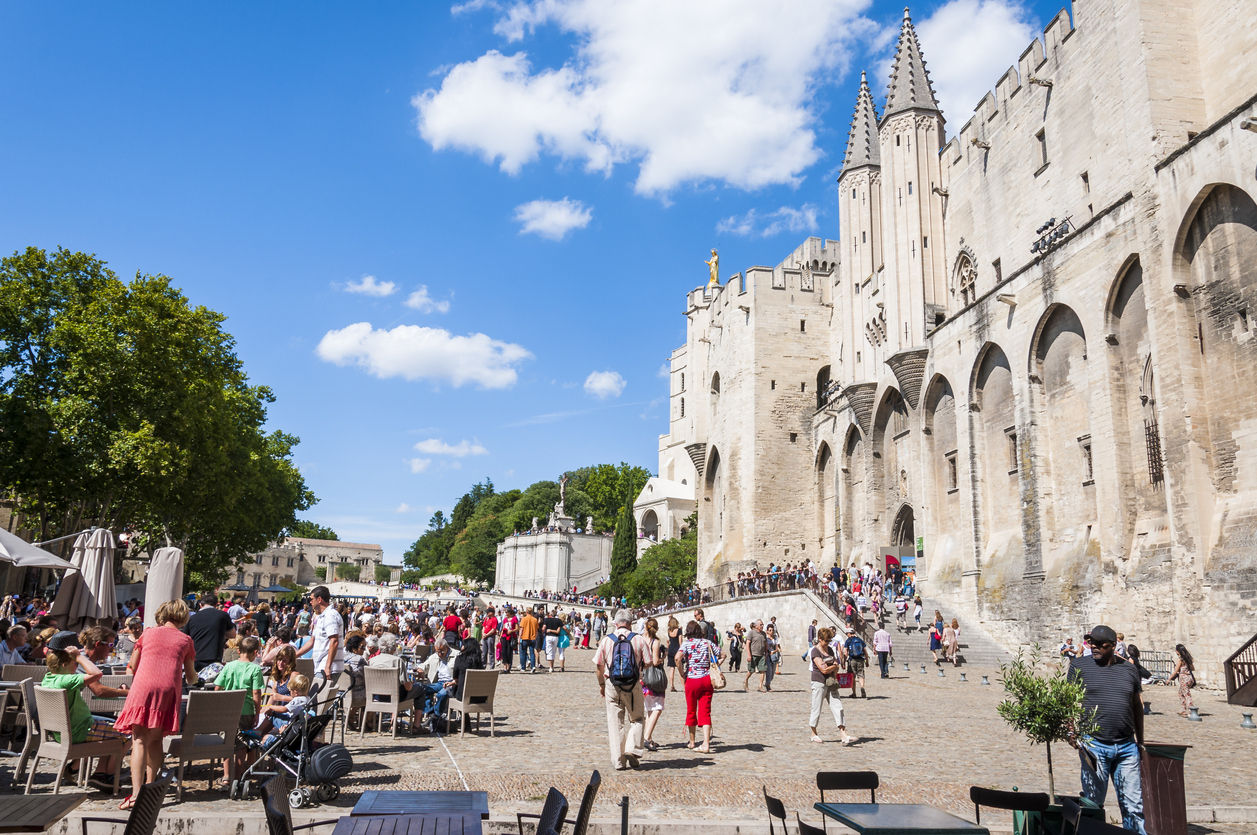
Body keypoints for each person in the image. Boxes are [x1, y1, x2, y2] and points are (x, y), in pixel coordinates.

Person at [117, 599, 198, 810]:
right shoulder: (186, 640)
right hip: (167, 690)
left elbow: (132, 665)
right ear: (183, 616)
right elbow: (190, 677)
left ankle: (136, 795)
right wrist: (198, 677)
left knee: (139, 740)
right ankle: (150, 791)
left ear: (162, 613)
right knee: (155, 740)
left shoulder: (148, 633)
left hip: (143, 687)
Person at [1068, 625, 1146, 835]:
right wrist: (1070, 732)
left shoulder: (1129, 669)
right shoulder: (1079, 666)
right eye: (1090, 642)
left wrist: (1141, 741)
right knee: (1093, 804)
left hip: (1127, 746)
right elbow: (1067, 701)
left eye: (1099, 644)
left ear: (1113, 646)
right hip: (1094, 744)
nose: (1093, 647)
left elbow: (1137, 705)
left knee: (1134, 806)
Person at [42, 644, 130, 792]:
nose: (77, 666)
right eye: (75, 664)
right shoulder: (66, 680)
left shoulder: (48, 679)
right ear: (64, 665)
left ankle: (101, 773)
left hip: (65, 732)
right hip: (81, 731)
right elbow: (96, 674)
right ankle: (107, 775)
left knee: (110, 729)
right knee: (128, 733)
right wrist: (79, 656)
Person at [593, 609, 651, 770]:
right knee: (637, 718)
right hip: (633, 684)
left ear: (616, 623)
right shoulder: (638, 639)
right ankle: (632, 749)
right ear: (631, 623)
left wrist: (602, 685)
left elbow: (599, 665)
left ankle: (618, 761)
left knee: (615, 722)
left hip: (612, 683)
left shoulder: (607, 640)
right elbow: (649, 661)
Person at [213, 636, 265, 782]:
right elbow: (256, 693)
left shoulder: (228, 666)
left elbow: (218, 687)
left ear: (238, 651)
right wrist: (257, 712)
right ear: (256, 652)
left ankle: (226, 776)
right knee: (242, 743)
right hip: (246, 710)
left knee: (228, 742)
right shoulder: (255, 669)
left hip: (227, 711)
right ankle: (238, 775)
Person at [676, 619, 720, 753]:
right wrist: (715, 667)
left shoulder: (686, 644)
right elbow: (722, 654)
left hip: (692, 679)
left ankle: (692, 741)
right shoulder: (707, 642)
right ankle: (706, 744)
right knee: (705, 711)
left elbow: (677, 658)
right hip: (706, 679)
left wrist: (682, 672)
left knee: (691, 709)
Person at [807, 627, 853, 745]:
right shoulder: (814, 651)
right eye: (826, 641)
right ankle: (813, 733)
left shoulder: (831, 650)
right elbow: (823, 670)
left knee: (838, 706)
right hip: (818, 682)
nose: (828, 643)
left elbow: (835, 665)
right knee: (816, 707)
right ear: (820, 639)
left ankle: (843, 733)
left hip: (831, 682)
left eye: (829, 641)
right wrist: (833, 667)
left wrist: (832, 667)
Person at [295, 586, 344, 683]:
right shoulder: (321, 617)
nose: (310, 602)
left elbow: (334, 641)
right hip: (320, 666)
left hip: (327, 666)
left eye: (312, 599)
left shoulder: (330, 615)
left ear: (319, 599)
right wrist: (294, 655)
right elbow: (311, 642)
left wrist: (327, 667)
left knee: (319, 697)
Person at [184, 594, 236, 671]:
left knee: (196, 681)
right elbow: (232, 634)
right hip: (214, 656)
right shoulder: (223, 615)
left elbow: (185, 637)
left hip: (195, 657)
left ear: (200, 605)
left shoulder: (192, 618)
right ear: (216, 604)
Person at [641, 617, 666, 752]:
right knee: (658, 708)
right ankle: (646, 737)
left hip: (643, 677)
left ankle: (648, 737)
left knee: (649, 708)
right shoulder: (655, 642)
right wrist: (664, 656)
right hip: (654, 677)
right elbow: (655, 661)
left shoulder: (640, 639)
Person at [1168, 644, 1196, 717]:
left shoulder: (1180, 660)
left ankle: (1191, 711)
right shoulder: (1188, 659)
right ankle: (1183, 710)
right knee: (1181, 693)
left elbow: (1175, 671)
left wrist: (1169, 679)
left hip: (1184, 678)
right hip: (1189, 677)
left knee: (1187, 694)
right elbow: (1193, 668)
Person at [842, 627, 867, 698]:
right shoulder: (860, 640)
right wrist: (867, 661)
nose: (847, 635)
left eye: (847, 633)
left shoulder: (848, 641)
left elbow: (846, 652)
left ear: (849, 633)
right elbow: (865, 651)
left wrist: (843, 662)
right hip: (860, 659)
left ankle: (854, 693)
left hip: (852, 660)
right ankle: (862, 686)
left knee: (852, 676)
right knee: (861, 675)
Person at [744, 620, 768, 692]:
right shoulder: (751, 633)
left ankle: (760, 686)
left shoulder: (763, 634)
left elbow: (765, 644)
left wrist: (766, 653)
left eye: (762, 624)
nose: (762, 626)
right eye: (761, 624)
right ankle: (746, 680)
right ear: (756, 626)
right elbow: (747, 644)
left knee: (762, 670)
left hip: (761, 655)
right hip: (753, 654)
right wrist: (749, 655)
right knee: (751, 671)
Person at [542, 608, 564, 672]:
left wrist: (543, 632)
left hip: (548, 636)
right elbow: (562, 627)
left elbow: (543, 628)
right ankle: (552, 666)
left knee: (549, 651)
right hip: (555, 637)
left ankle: (551, 667)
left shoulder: (547, 620)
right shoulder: (558, 620)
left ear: (550, 615)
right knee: (553, 651)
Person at [666, 616, 682, 691]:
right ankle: (684, 686)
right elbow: (680, 642)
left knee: (672, 668)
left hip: (671, 649)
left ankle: (672, 685)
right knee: (680, 668)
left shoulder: (669, 630)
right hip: (677, 650)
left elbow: (669, 640)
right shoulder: (679, 630)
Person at [763, 624, 779, 691]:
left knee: (772, 672)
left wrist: (774, 651)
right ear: (767, 631)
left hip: (774, 655)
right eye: (770, 630)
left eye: (772, 630)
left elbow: (777, 648)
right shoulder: (766, 638)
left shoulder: (775, 638)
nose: (771, 631)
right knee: (768, 670)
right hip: (767, 655)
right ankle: (768, 685)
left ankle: (768, 682)